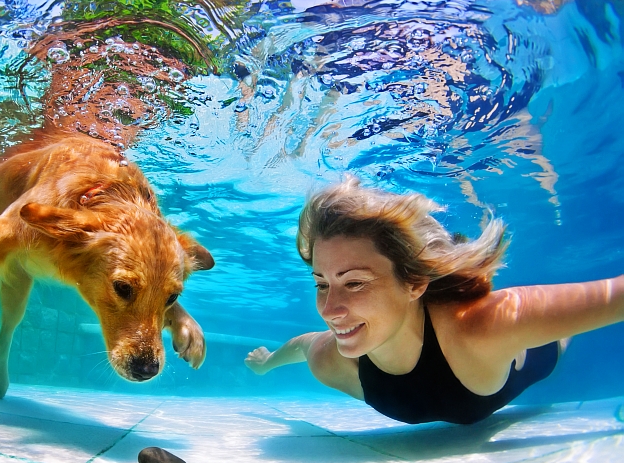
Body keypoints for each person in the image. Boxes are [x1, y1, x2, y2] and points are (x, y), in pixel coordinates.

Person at [244, 176, 624, 424]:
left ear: (414, 283)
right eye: (322, 284)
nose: (330, 310)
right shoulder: (333, 361)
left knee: (554, 332)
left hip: (533, 351)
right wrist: (265, 363)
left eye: (355, 283)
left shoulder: (483, 325)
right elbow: (303, 344)